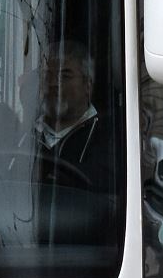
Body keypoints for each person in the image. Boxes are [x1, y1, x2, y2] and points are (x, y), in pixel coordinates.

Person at [38, 39, 119, 195]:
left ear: (87, 85)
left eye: (65, 76)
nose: (54, 83)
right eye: (47, 74)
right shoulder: (23, 133)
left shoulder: (111, 138)